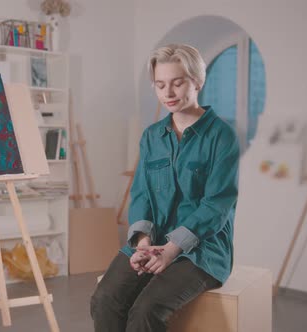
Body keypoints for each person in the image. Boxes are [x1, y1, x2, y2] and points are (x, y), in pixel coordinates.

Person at [90, 43, 240, 332]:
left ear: (197, 81)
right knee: (104, 300)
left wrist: (173, 249)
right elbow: (142, 193)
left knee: (146, 311)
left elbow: (217, 205)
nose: (168, 93)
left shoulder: (222, 136)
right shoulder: (151, 136)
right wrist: (143, 243)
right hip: (153, 240)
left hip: (203, 251)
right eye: (160, 85)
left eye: (177, 83)